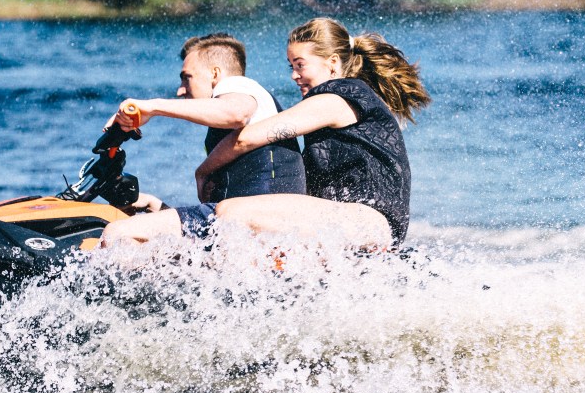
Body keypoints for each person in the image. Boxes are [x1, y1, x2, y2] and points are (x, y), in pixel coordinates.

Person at [195, 18, 431, 249]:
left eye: (300, 65)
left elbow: (246, 138)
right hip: (353, 221)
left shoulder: (337, 99)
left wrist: (203, 171)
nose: (294, 75)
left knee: (232, 211)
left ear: (332, 62)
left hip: (368, 221)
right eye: (291, 66)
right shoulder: (346, 99)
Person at [101, 32, 305, 244]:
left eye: (186, 78)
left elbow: (236, 113)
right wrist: (157, 206)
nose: (180, 90)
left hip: (259, 220)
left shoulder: (239, 85)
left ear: (215, 74)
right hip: (248, 225)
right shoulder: (225, 127)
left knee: (116, 233)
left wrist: (151, 107)